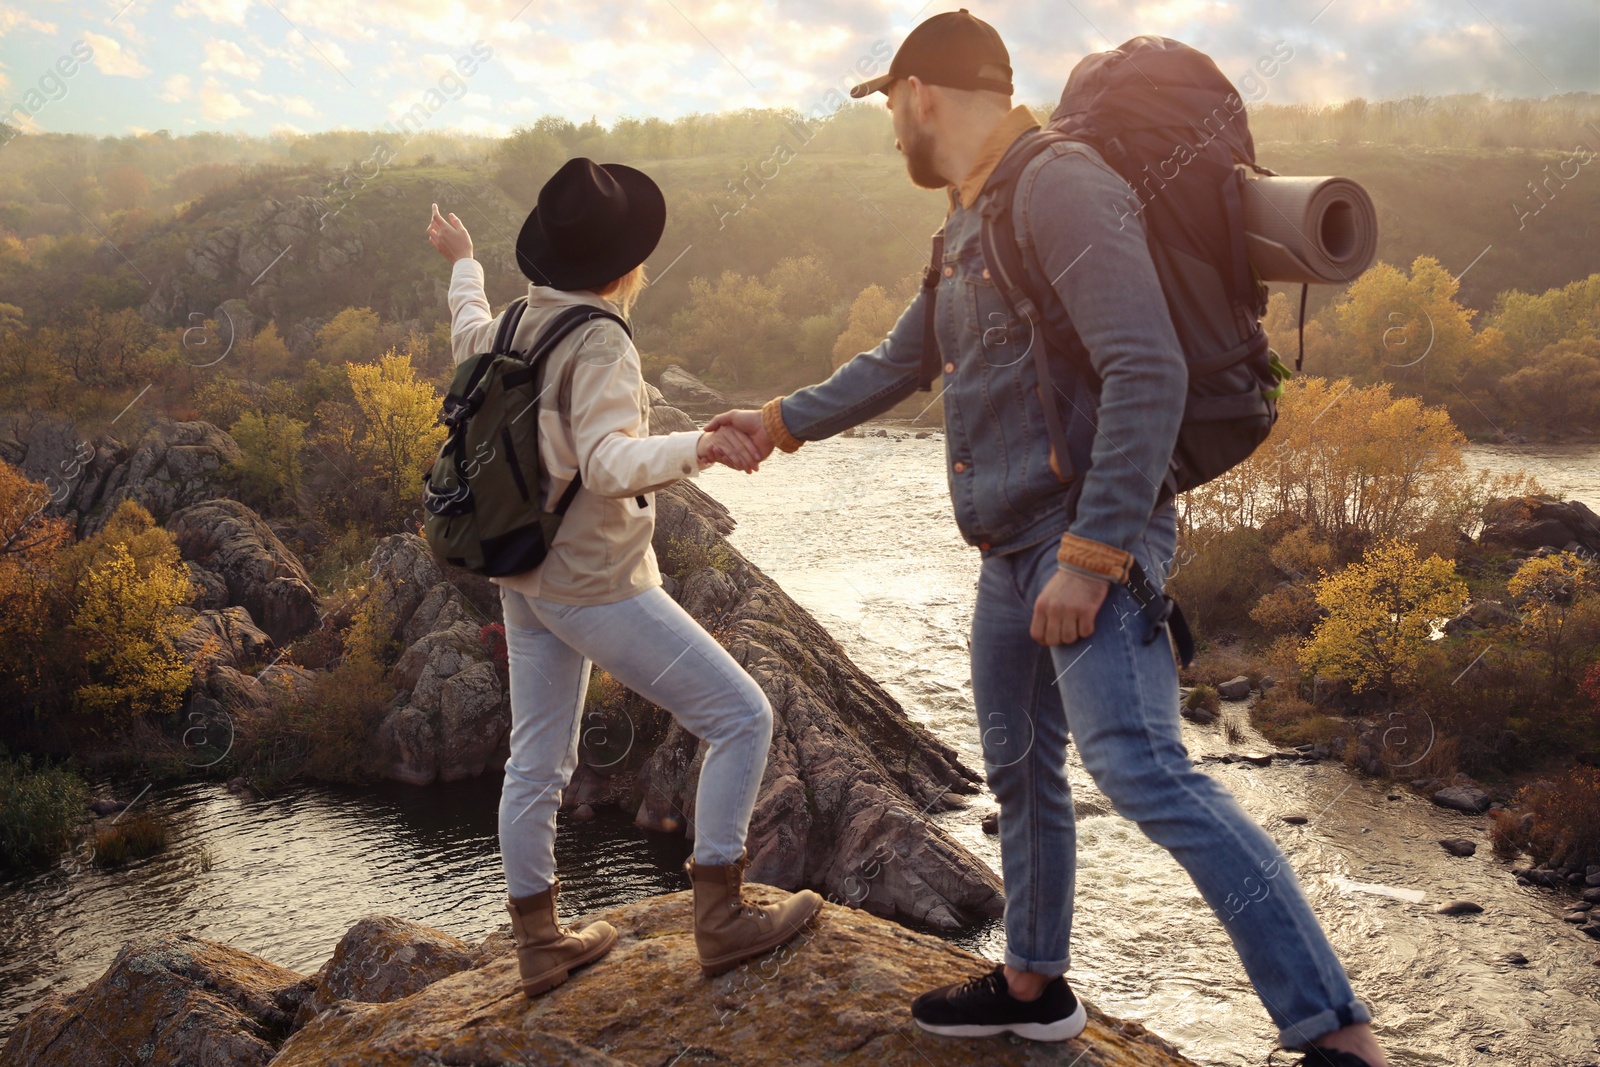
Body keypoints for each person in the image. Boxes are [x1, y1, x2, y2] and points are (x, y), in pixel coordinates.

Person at [705, 11, 1388, 1067]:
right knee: (1022, 773)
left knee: (1146, 769)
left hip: (1082, 541)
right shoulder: (969, 221)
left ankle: (1335, 1029)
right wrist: (776, 421)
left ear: (922, 94)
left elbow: (1146, 369)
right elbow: (899, 360)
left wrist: (1092, 555)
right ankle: (1031, 983)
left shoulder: (1060, 185)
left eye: (891, 107)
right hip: (1007, 550)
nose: (893, 130)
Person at [427, 157, 822, 999]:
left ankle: (539, 944)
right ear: (622, 264)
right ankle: (720, 918)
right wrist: (699, 446)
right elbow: (608, 463)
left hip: (519, 571)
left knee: (535, 759)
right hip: (593, 582)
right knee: (742, 717)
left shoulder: (509, 325)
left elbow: (464, 328)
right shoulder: (599, 337)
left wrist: (463, 259)